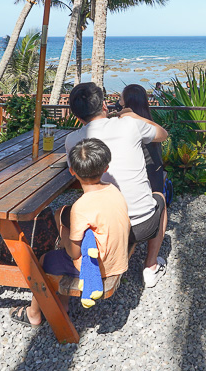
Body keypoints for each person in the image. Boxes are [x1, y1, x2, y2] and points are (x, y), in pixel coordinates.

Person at [10, 138, 130, 327]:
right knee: (64, 228)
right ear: (106, 168)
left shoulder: (82, 206)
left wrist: (64, 238)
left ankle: (34, 314)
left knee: (44, 261)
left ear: (72, 171)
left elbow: (74, 253)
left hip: (98, 268)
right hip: (117, 258)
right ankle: (62, 303)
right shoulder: (113, 190)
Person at [65, 82, 170, 288]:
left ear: (77, 116)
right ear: (105, 105)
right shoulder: (129, 125)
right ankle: (150, 265)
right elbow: (162, 134)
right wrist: (134, 116)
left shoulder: (73, 140)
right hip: (142, 226)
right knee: (160, 198)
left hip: (102, 227)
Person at [119, 83, 168, 196]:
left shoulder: (132, 123)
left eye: (121, 98)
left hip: (143, 172)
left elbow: (164, 134)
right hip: (154, 169)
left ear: (127, 101)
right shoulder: (147, 121)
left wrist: (130, 115)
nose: (119, 100)